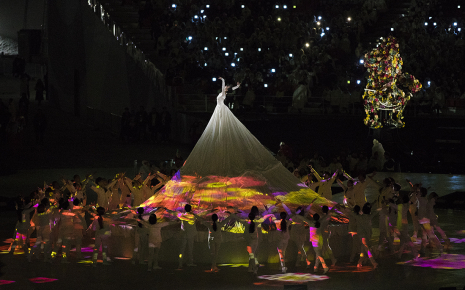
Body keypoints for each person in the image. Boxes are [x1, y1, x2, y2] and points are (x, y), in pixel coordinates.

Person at [355, 203, 378, 269]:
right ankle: (372, 262)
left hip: (362, 236)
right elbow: (375, 212)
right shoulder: (369, 217)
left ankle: (361, 262)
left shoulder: (359, 217)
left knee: (364, 250)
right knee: (366, 250)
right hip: (366, 236)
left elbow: (351, 213)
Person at [177, 204, 198, 268]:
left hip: (184, 234)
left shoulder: (182, 215)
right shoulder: (193, 216)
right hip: (191, 234)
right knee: (190, 249)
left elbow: (177, 214)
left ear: (184, 209)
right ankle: (190, 262)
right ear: (190, 209)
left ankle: (180, 263)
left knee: (182, 249)